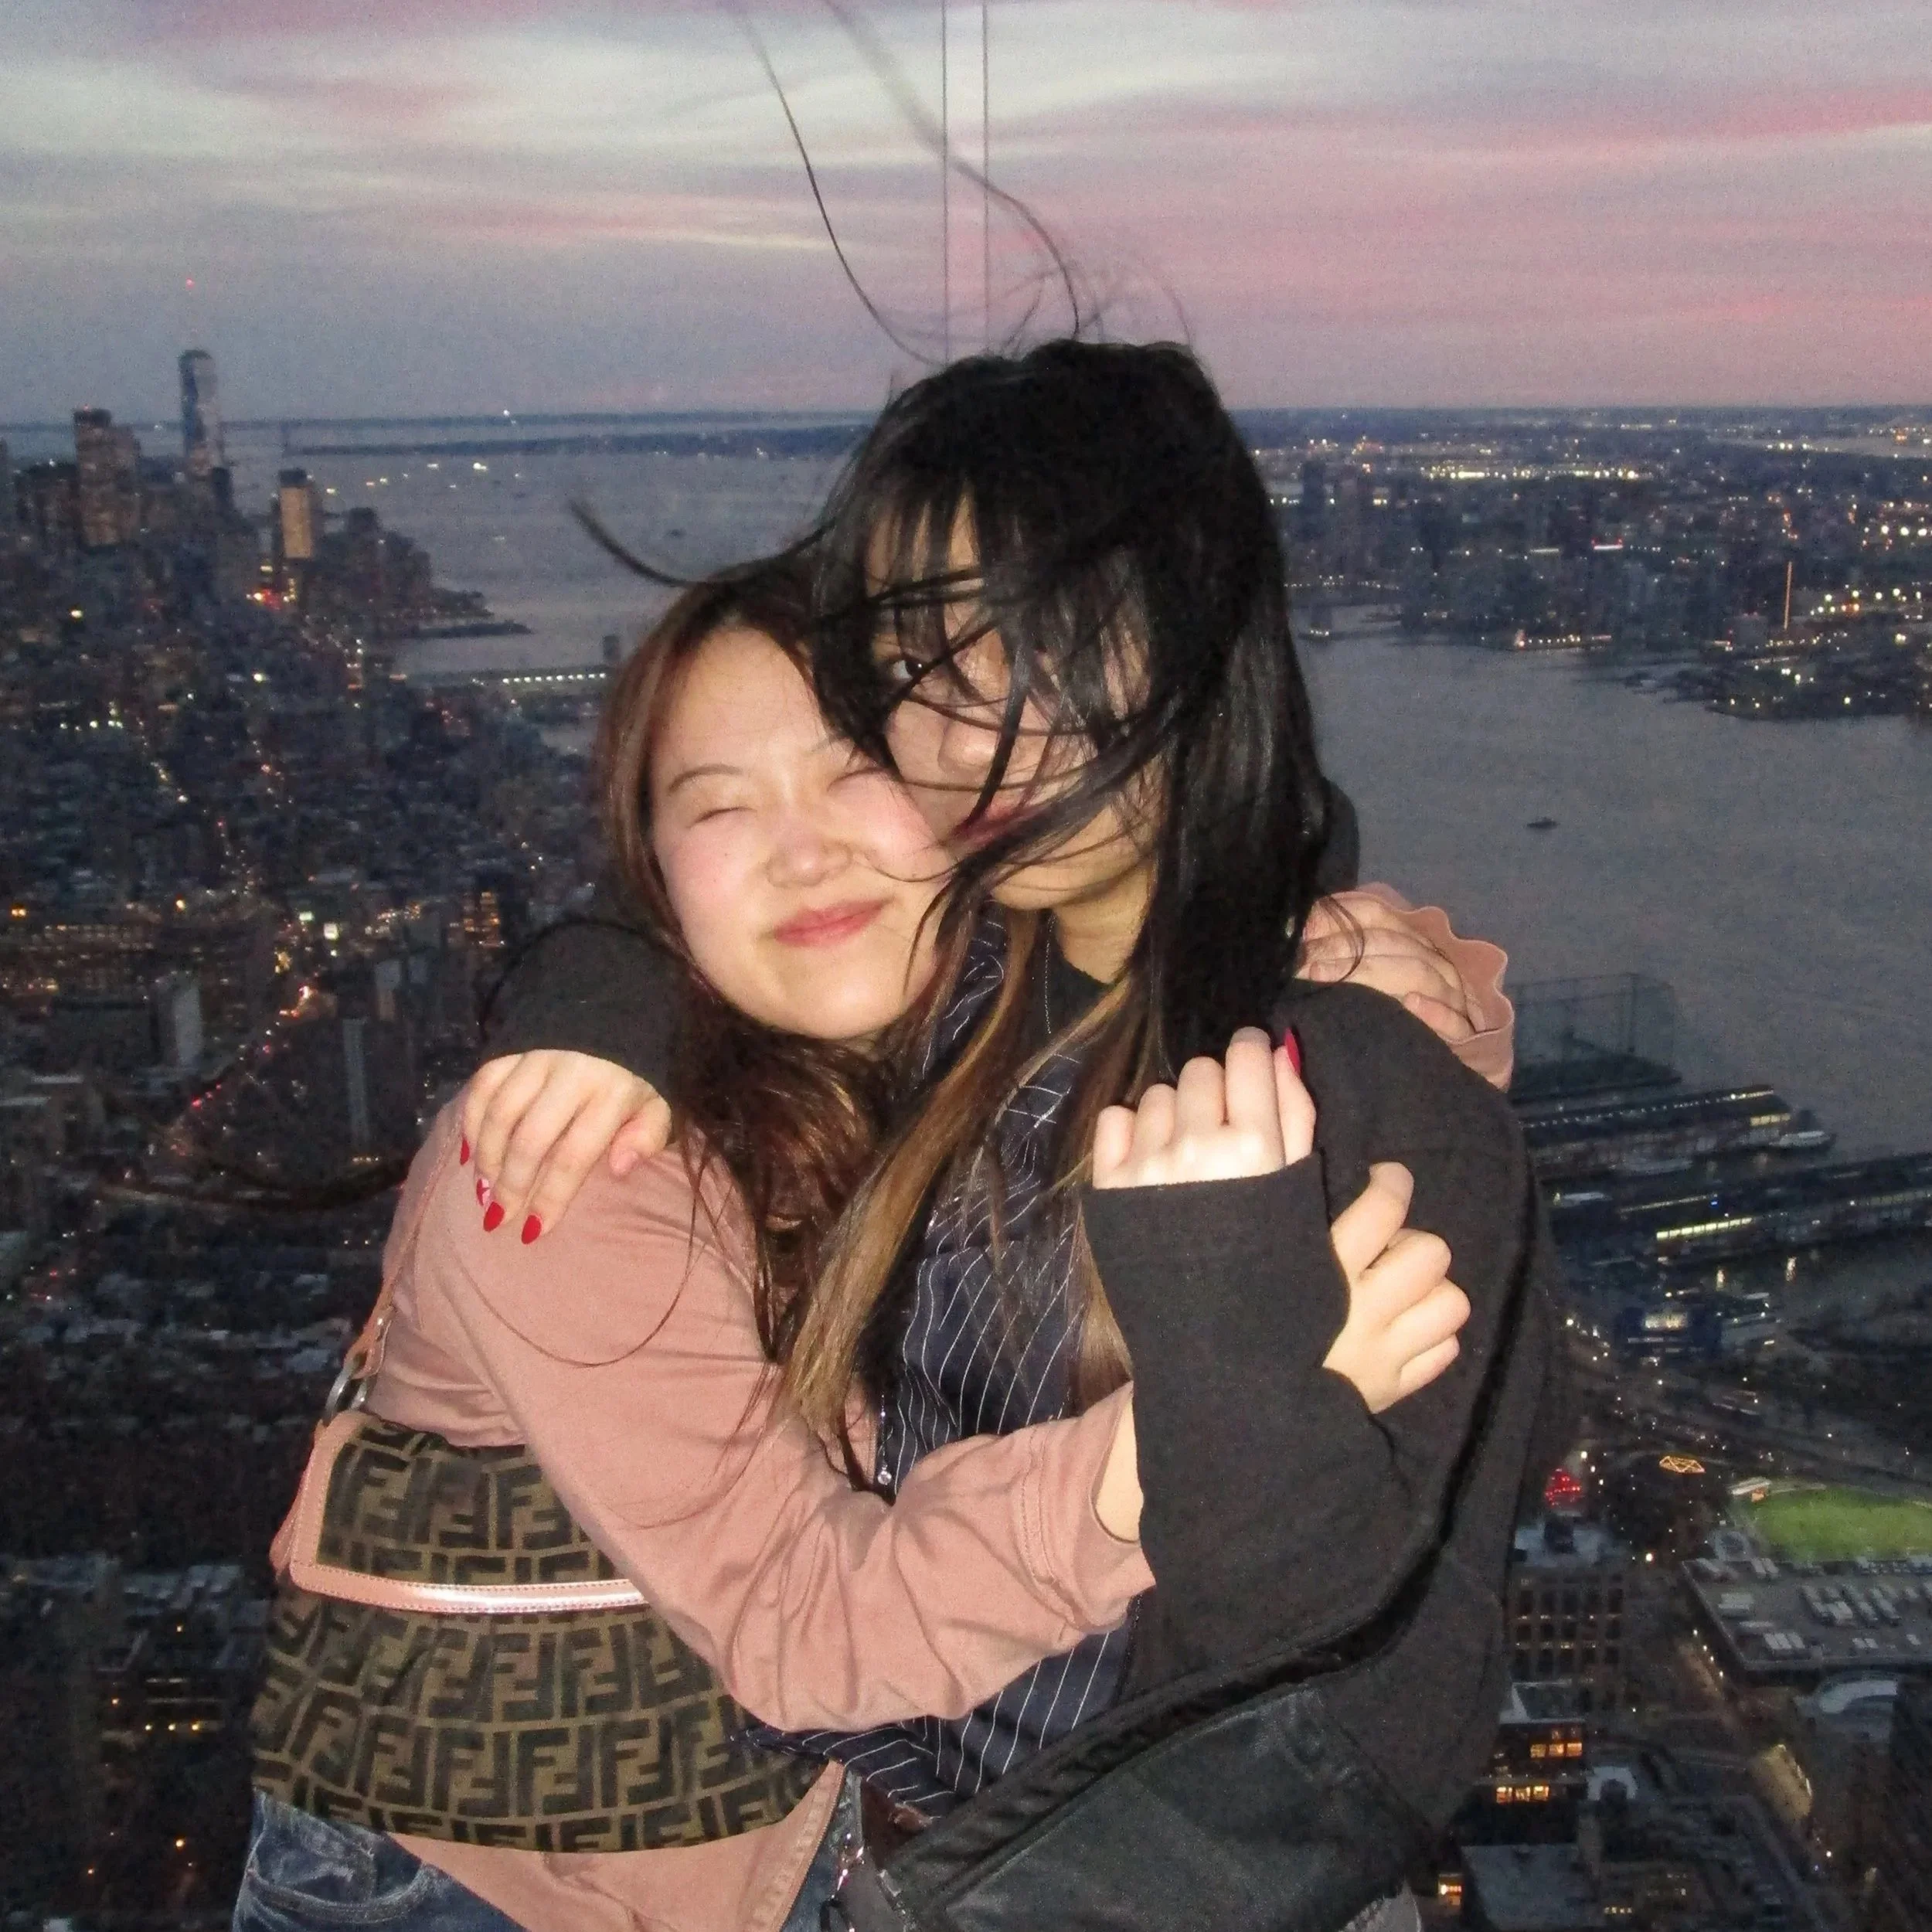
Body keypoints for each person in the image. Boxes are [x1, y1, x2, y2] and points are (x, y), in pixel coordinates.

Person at [457, 340, 1556, 1929]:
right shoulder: (953, 990)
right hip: (858, 1863)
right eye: (917, 662)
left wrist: (1231, 1348)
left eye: (1040, 640)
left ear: (1198, 635)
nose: (967, 732)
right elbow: (717, 925)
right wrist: (595, 998)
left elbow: (1373, 1720)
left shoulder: (1353, 1093)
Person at [237, 560, 1474, 1932]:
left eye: (856, 773)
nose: (802, 852)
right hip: (474, 1892)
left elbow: (1392, 983)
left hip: (775, 1860)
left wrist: (1319, 950)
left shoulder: (944, 1051)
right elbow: (803, 1626)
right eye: (720, 805)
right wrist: (1227, 1410)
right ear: (655, 869)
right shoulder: (565, 1172)